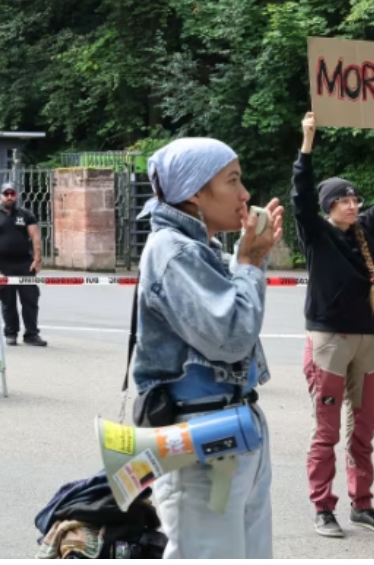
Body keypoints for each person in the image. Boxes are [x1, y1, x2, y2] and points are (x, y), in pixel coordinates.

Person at [129, 137, 283, 558]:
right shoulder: (173, 251)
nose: (245, 193)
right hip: (200, 443)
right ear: (195, 193)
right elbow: (232, 337)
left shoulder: (200, 247)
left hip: (230, 430)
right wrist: (249, 263)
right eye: (232, 180)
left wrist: (251, 256)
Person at [292, 111, 374, 538]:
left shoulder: (368, 229)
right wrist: (307, 144)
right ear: (329, 208)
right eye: (343, 200)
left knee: (363, 431)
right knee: (326, 434)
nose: (353, 205)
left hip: (367, 341)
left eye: (355, 199)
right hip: (329, 341)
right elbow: (301, 197)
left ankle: (363, 505)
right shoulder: (317, 234)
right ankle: (323, 507)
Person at [0, 182, 47, 347]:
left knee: (30, 300)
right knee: (7, 302)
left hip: (25, 265)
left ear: (16, 196)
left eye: (12, 194)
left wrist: (37, 258)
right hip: (2, 266)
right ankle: (11, 333)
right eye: (6, 194)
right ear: (0, 195)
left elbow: (35, 236)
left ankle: (31, 334)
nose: (9, 197)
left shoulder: (26, 215)